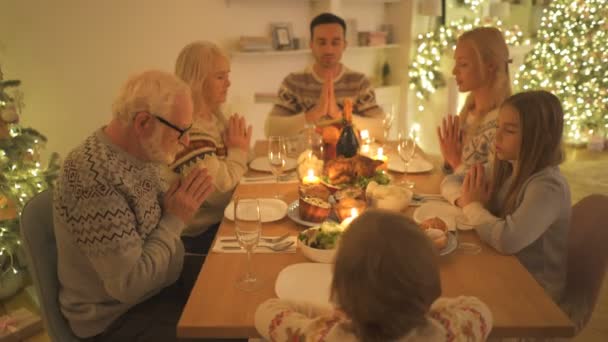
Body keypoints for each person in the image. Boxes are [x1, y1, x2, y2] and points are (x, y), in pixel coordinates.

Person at [53, 70, 216, 341]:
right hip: (116, 318)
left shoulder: (142, 155)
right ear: (143, 122)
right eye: (182, 131)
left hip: (159, 288)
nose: (186, 142)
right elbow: (129, 285)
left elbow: (153, 231)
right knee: (230, 327)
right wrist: (175, 218)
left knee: (241, 290)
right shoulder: (93, 178)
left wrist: (172, 207)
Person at [254, 210, 493, 341]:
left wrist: (333, 314)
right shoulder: (452, 331)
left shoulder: (322, 335)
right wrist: (421, 309)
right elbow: (478, 308)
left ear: (339, 293)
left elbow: (267, 310)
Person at [445, 90, 570, 305]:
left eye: (509, 130)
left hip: (535, 295)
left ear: (539, 137)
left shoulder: (548, 187)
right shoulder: (504, 166)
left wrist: (472, 205)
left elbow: (507, 239)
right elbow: (451, 181)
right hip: (502, 266)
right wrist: (464, 200)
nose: (497, 137)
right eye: (498, 127)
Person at [172, 41, 252, 253]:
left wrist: (240, 150)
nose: (228, 83)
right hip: (200, 235)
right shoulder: (187, 129)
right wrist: (239, 150)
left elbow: (242, 168)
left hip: (223, 220)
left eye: (227, 75)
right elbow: (220, 192)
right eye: (220, 77)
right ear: (196, 82)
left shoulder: (215, 117)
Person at [264, 12, 385, 139]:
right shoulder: (293, 82)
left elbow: (382, 130)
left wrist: (340, 116)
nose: (328, 50)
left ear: (344, 45)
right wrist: (314, 114)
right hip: (303, 157)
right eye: (322, 43)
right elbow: (271, 131)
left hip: (348, 157)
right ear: (311, 45)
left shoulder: (359, 82)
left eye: (335, 42)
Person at [437, 27, 512, 175]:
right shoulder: (468, 114)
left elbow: (491, 188)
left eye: (463, 64)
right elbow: (451, 177)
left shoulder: (502, 123)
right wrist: (448, 160)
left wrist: (455, 161)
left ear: (490, 66)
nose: (454, 71)